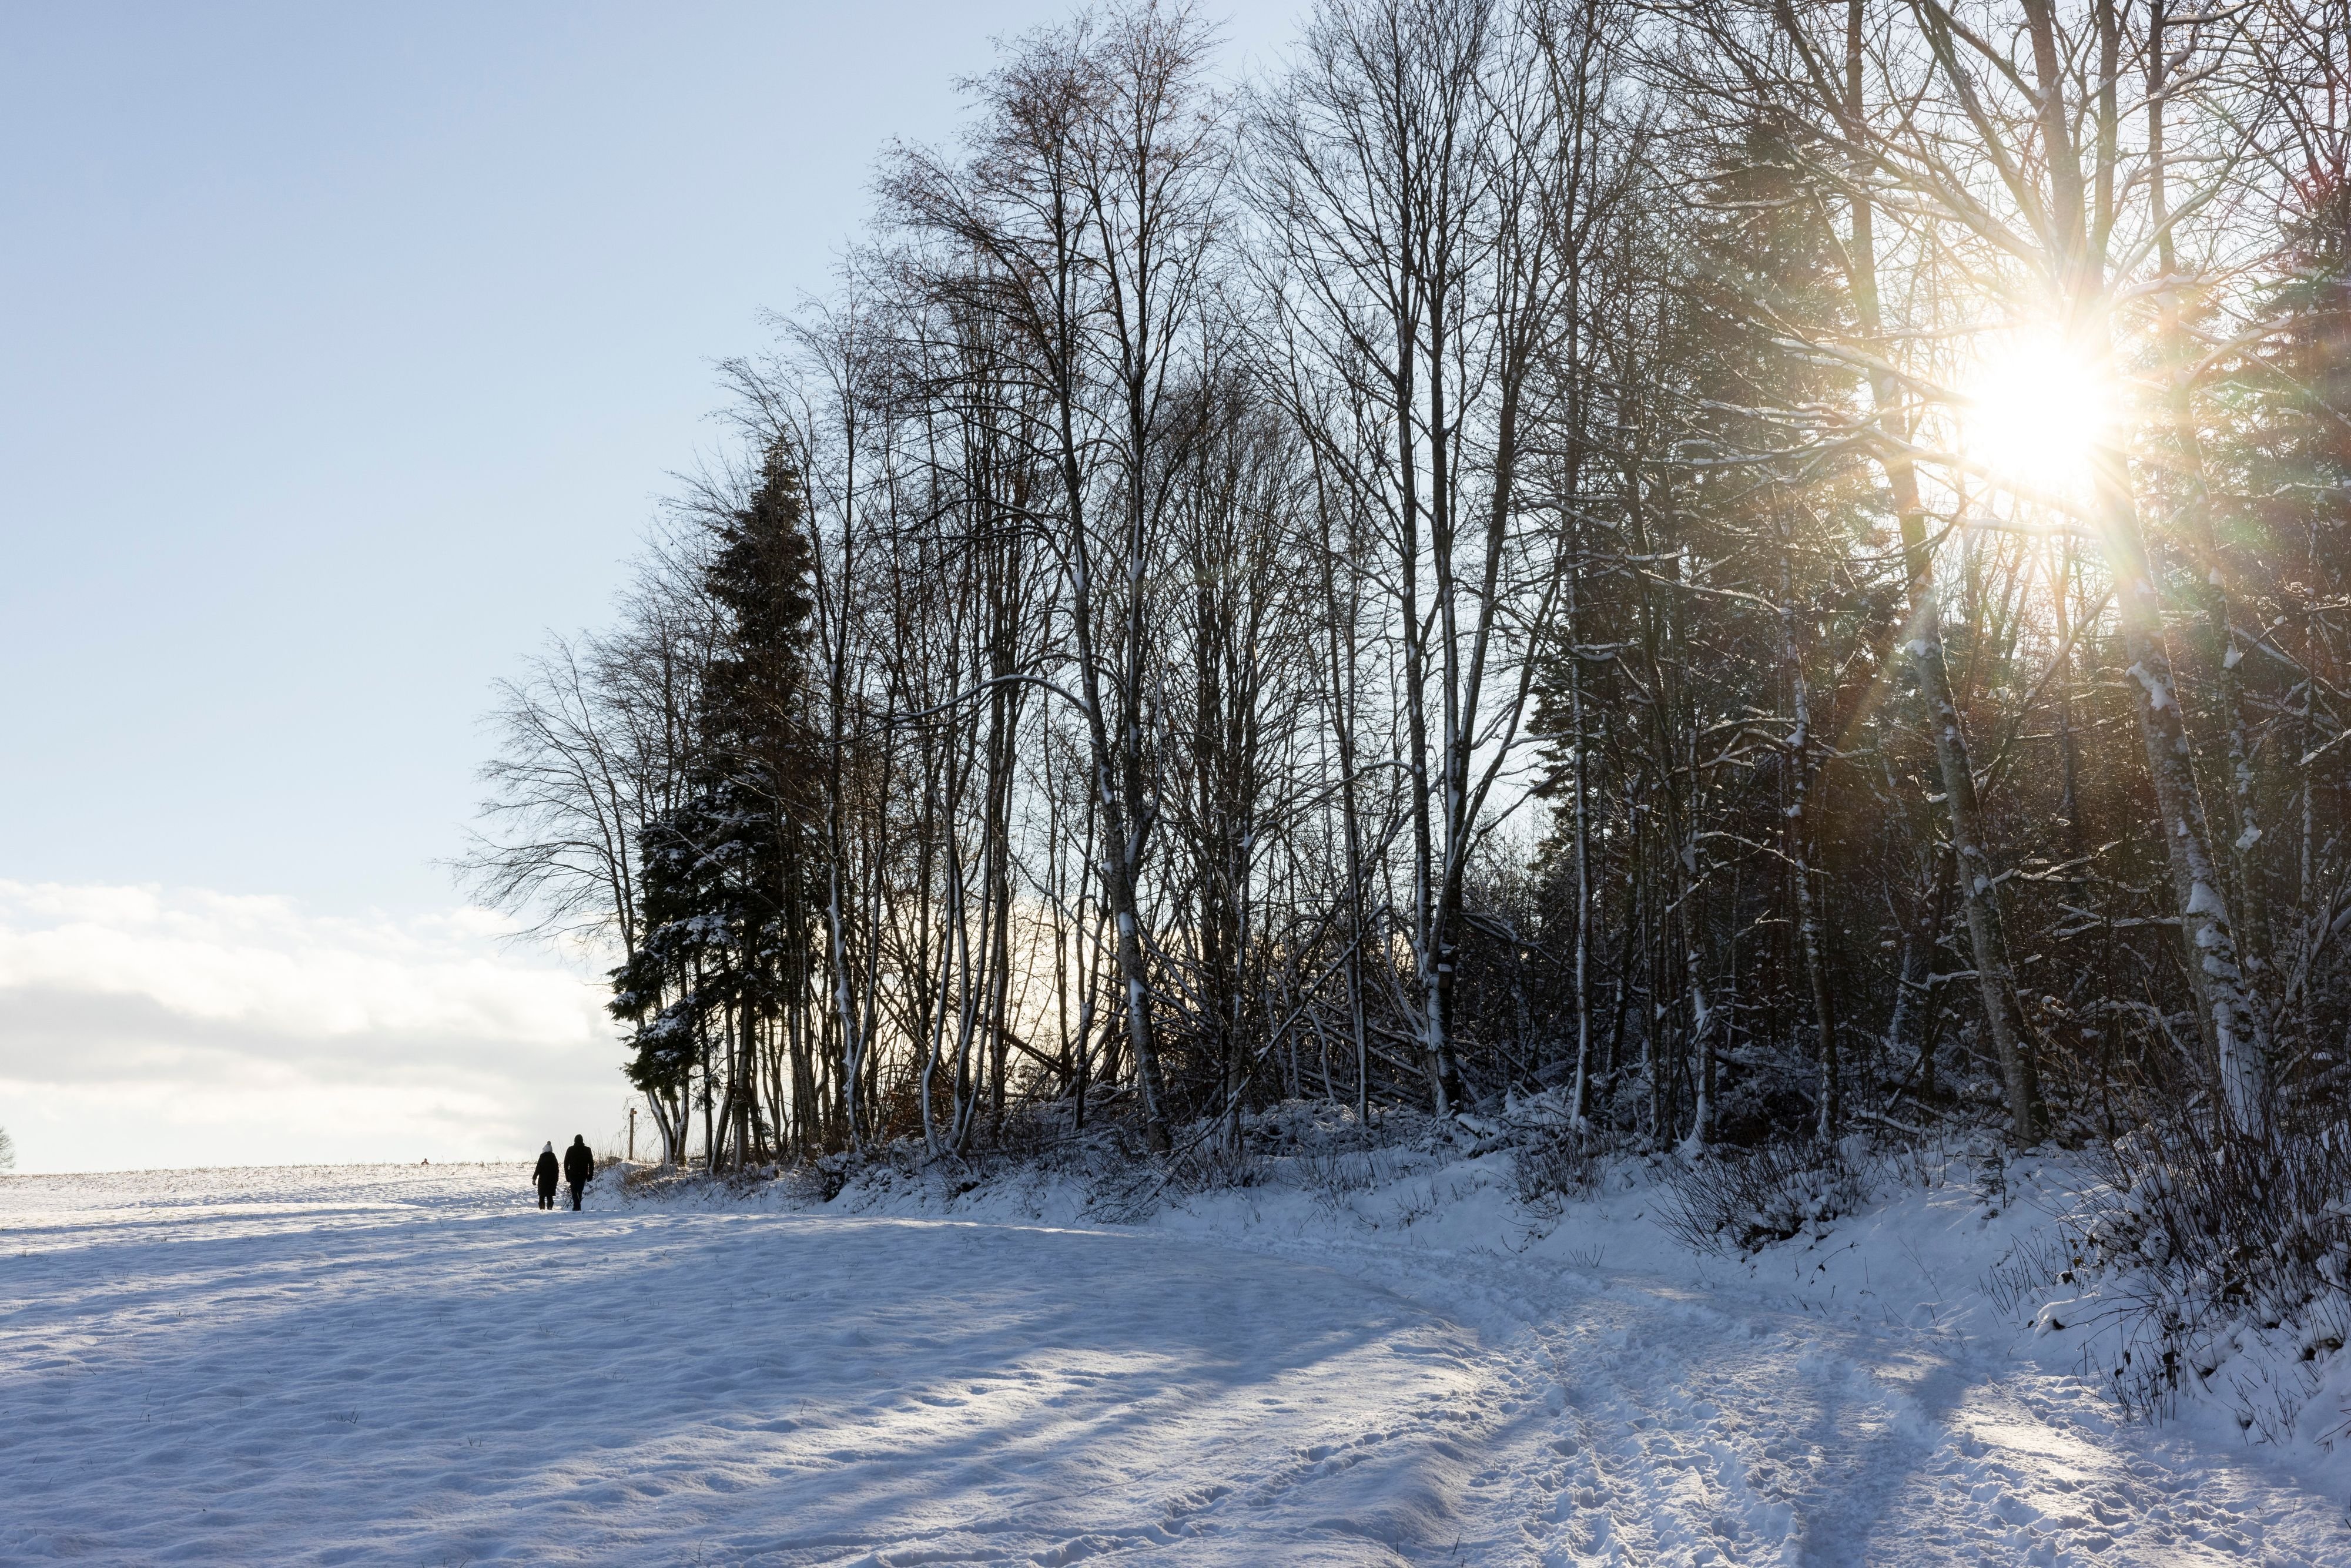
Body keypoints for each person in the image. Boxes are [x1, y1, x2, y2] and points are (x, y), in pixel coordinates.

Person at [562, 1134, 594, 1211]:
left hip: (573, 1174)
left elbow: (566, 1163)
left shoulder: (570, 1149)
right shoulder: (587, 1150)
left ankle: (576, 1207)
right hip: (583, 1175)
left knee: (574, 1192)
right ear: (582, 1141)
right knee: (579, 1191)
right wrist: (590, 1175)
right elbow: (591, 1163)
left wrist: (567, 1175)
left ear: (575, 1141)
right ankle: (577, 1207)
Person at [533, 1141, 559, 1209]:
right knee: (549, 1196)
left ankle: (542, 1209)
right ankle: (550, 1208)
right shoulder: (554, 1158)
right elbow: (557, 1170)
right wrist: (556, 1180)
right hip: (552, 1181)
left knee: (542, 1196)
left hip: (543, 1181)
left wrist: (534, 1178)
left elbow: (538, 1169)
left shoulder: (542, 1157)